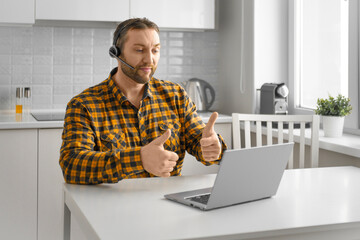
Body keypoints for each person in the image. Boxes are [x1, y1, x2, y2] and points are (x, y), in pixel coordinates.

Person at [59, 18, 227, 184]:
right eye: (140, 50)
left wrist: (211, 149)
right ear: (116, 53)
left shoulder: (175, 95)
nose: (149, 59)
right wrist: (139, 159)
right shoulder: (84, 105)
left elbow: (200, 142)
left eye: (155, 50)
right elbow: (72, 165)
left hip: (168, 204)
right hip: (113, 206)